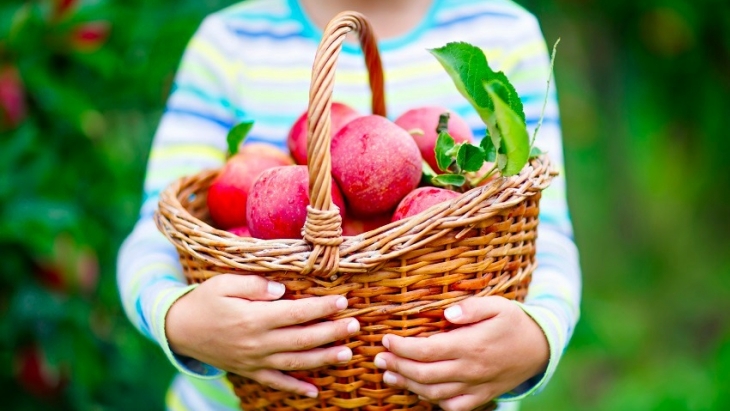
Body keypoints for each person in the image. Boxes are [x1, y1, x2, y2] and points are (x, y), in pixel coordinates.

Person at [117, 0, 582, 410]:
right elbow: (156, 233)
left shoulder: (502, 31)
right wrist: (180, 320)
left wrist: (537, 338)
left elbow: (546, 233)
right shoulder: (230, 44)